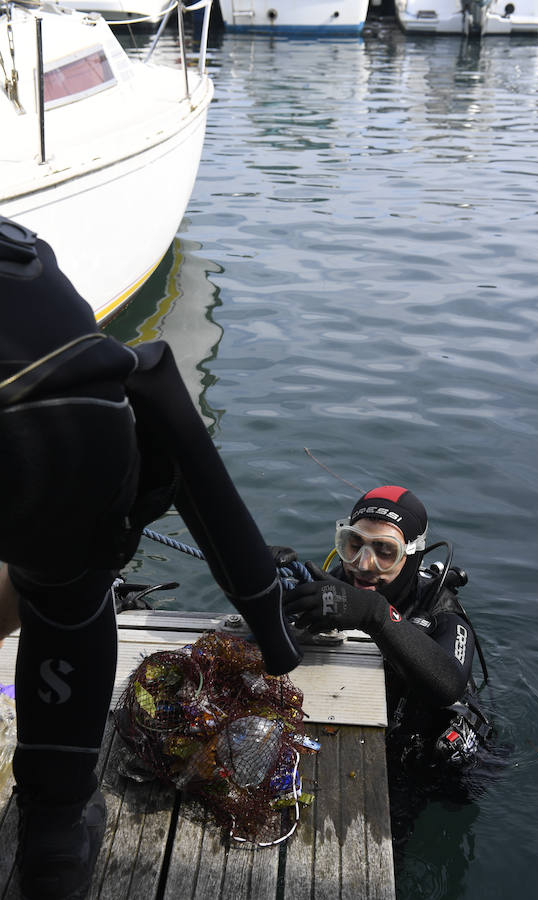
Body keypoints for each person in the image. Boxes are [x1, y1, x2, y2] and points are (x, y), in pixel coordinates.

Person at [0, 216, 302, 900]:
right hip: (72, 409)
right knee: (68, 601)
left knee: (61, 591)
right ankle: (53, 835)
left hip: (57, 402)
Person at [282, 485, 492, 770]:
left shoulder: (439, 609)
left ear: (412, 555)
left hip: (428, 766)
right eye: (354, 544)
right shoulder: (341, 579)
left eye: (385, 551)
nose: (364, 564)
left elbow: (449, 686)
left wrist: (375, 613)